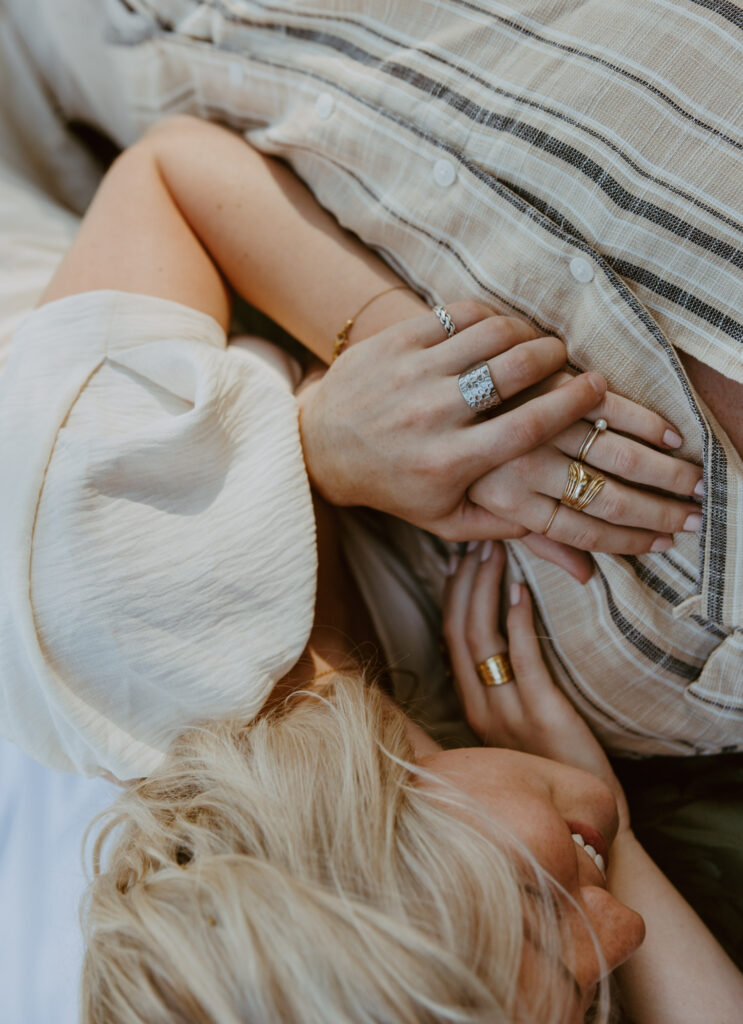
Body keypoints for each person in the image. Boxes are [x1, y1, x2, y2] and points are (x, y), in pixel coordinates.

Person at [0, 114, 699, 781]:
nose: (603, 905)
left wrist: (347, 429)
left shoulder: (107, 600)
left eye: (536, 897)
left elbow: (165, 170)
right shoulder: (382, 720)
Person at [79, 543, 743, 1024]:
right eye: (582, 1008)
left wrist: (323, 427)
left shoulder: (127, 596)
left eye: (537, 913)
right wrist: (608, 832)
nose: (626, 931)